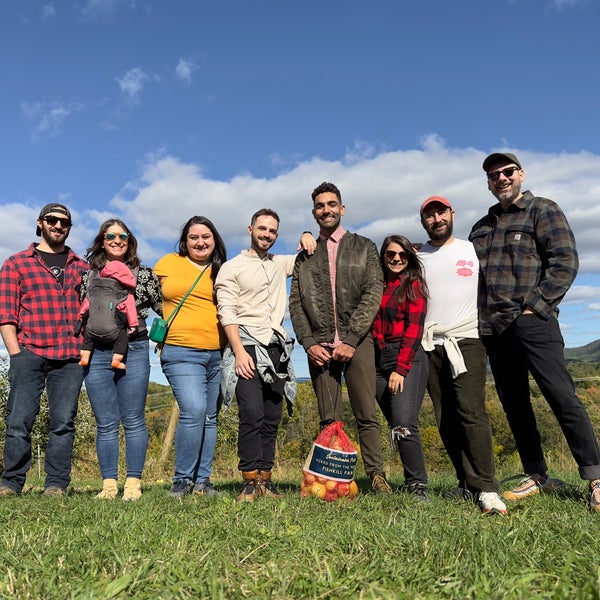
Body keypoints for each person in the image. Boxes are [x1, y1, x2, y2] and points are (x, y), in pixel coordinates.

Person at [470, 152, 600, 512]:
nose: (501, 178)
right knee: (515, 406)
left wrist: (534, 307)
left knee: (562, 397)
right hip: (495, 330)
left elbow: (565, 261)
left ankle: (596, 477)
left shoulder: (543, 210)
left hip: (533, 322)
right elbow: (468, 275)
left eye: (507, 172)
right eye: (494, 175)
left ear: (521, 174)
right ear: (489, 183)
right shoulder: (480, 227)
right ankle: (537, 475)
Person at [289, 181, 392, 494]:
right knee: (328, 417)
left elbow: (373, 292)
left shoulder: (364, 247)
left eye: (331, 204)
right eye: (320, 206)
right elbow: (295, 301)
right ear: (314, 212)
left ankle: (376, 476)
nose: (326, 210)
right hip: (318, 346)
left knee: (366, 413)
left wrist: (351, 338)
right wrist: (308, 343)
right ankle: (329, 480)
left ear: (342, 209)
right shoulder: (305, 255)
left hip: (357, 343)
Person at [215, 209, 315, 501]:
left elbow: (311, 253)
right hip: (245, 347)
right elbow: (227, 312)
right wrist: (238, 353)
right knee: (252, 415)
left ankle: (266, 480)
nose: (267, 235)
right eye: (262, 229)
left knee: (272, 416)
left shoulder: (278, 263)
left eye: (272, 231)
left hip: (276, 348)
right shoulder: (232, 267)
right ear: (250, 229)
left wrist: (307, 235)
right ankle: (248, 480)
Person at [418, 196, 506, 515]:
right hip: (430, 344)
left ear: (452, 214)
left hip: (467, 339)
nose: (437, 219)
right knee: (445, 416)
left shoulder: (472, 250)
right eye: (430, 215)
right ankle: (466, 482)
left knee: (470, 411)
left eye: (441, 212)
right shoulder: (418, 255)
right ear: (423, 221)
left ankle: (488, 488)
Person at [0, 203, 86, 497]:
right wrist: (16, 353)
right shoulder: (16, 263)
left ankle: (56, 484)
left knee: (63, 423)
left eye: (64, 222)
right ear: (40, 223)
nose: (58, 225)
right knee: (19, 421)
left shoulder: (82, 266)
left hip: (70, 356)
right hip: (30, 352)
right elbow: (6, 314)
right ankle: (11, 482)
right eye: (52, 220)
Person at [81, 219, 161, 500]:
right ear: (102, 240)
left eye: (122, 235)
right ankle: (108, 486)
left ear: (130, 241)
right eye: (110, 235)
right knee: (105, 422)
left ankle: (133, 484)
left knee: (134, 419)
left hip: (135, 349)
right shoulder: (88, 274)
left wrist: (162, 336)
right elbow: (83, 313)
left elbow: (164, 308)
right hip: (97, 352)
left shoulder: (145, 275)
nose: (117, 240)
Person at [154, 216, 227, 498]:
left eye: (205, 236)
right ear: (185, 240)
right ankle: (182, 480)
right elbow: (140, 288)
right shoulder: (168, 263)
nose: (200, 242)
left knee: (210, 417)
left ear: (214, 239)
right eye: (194, 237)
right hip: (180, 350)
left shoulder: (221, 269)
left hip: (218, 354)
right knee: (194, 410)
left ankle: (202, 482)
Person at [373, 235, 430, 501]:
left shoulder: (413, 285)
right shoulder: (377, 284)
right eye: (390, 254)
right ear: (383, 257)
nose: (396, 259)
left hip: (405, 357)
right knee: (394, 423)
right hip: (377, 358)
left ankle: (417, 485)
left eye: (402, 255)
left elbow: (414, 330)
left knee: (405, 423)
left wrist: (401, 368)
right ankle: (408, 481)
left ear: (409, 257)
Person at [78, 259, 139, 370]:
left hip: (92, 329)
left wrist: (81, 315)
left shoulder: (93, 289)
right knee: (122, 338)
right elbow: (130, 309)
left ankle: (84, 357)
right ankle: (116, 360)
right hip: (114, 330)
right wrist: (133, 325)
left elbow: (85, 305)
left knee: (87, 338)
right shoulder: (125, 293)